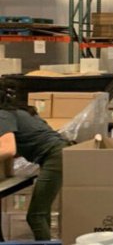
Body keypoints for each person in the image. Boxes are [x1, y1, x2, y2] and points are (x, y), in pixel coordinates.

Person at [0, 79, 69, 241]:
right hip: (60, 153)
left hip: (54, 156)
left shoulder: (2, 115)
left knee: (35, 216)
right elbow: (11, 150)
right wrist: (8, 177)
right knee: (41, 213)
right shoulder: (17, 110)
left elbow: (8, 149)